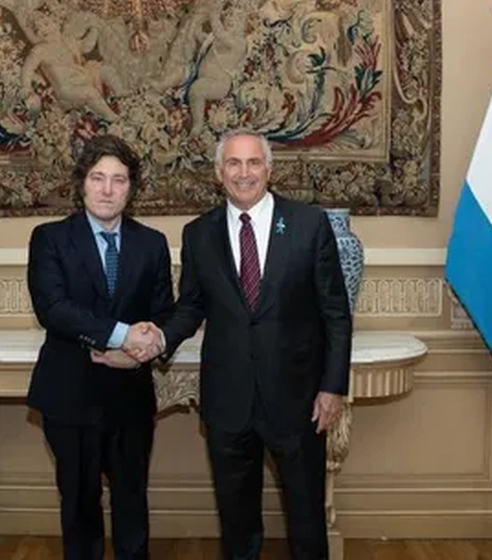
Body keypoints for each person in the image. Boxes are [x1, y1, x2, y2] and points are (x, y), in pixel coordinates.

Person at [128, 129, 352, 560]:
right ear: (218, 173)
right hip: (228, 400)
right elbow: (191, 307)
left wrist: (332, 387)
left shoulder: (308, 224)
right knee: (237, 523)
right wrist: (158, 339)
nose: (243, 173)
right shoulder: (199, 234)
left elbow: (336, 314)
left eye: (253, 163)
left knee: (306, 520)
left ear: (269, 168)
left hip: (299, 399)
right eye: (233, 163)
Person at [26, 134, 173, 560]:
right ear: (82, 184)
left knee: (132, 504)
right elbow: (52, 309)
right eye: (98, 178)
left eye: (119, 180)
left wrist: (141, 348)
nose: (108, 190)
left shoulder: (152, 244)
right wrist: (120, 335)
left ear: (132, 188)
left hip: (130, 397)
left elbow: (164, 310)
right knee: (79, 508)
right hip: (70, 394)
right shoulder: (50, 239)